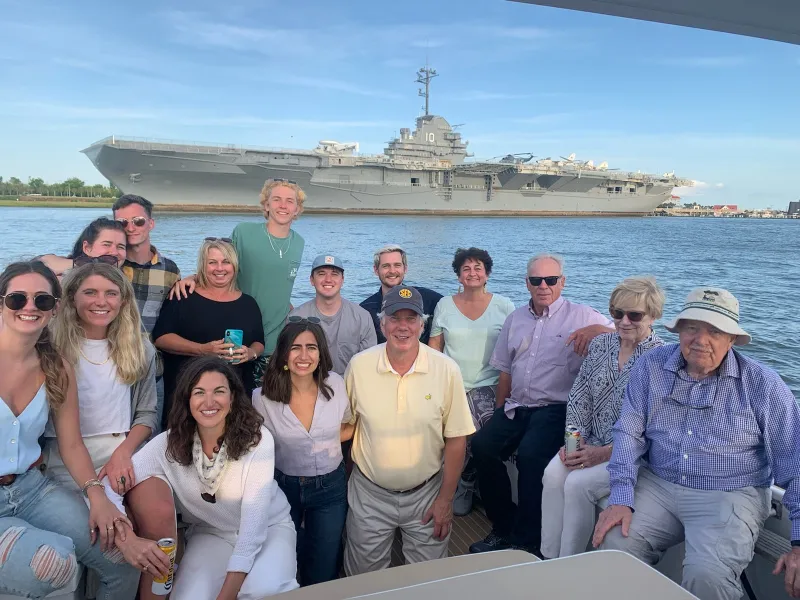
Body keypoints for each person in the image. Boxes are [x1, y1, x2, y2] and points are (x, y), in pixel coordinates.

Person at [592, 287, 800, 600]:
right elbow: (629, 433)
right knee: (615, 546)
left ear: (731, 339)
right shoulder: (650, 367)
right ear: (678, 331)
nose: (700, 340)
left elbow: (795, 462)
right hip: (659, 484)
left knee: (708, 576)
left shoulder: (763, 384)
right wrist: (621, 496)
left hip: (729, 491)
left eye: (715, 331)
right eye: (692, 328)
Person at [106, 356, 299, 600]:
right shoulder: (168, 444)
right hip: (211, 533)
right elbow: (109, 486)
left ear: (232, 397)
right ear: (187, 399)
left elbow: (253, 529)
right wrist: (126, 539)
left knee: (264, 592)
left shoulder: (257, 440)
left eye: (219, 391)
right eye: (199, 392)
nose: (209, 402)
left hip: (269, 529)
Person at [0, 260, 138, 599]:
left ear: (56, 308)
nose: (30, 307)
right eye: (17, 299)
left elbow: (72, 444)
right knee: (53, 560)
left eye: (42, 300)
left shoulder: (56, 366)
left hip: (29, 489)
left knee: (123, 555)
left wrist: (97, 495)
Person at [469, 253, 614, 556]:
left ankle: (526, 540)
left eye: (551, 280)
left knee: (531, 457)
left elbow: (624, 332)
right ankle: (503, 526)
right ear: (527, 284)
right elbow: (505, 370)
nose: (544, 286)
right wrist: (498, 414)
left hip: (555, 408)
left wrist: (595, 331)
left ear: (562, 282)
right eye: (537, 280)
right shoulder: (515, 319)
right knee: (483, 446)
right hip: (516, 406)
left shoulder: (583, 315)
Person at [343, 285, 475, 575]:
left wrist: (445, 500)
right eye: (394, 318)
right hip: (369, 495)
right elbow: (347, 428)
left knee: (426, 582)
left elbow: (456, 439)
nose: (402, 327)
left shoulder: (446, 369)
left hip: (427, 495)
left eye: (411, 319)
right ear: (381, 323)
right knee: (364, 580)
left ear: (422, 325)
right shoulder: (359, 366)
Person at [540, 276, 665, 559]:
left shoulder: (661, 360)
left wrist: (602, 453)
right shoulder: (601, 345)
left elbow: (655, 426)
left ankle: (569, 563)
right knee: (552, 474)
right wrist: (573, 444)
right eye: (617, 313)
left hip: (632, 456)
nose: (624, 321)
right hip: (588, 442)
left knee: (576, 484)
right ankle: (547, 557)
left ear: (653, 316)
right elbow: (579, 397)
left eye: (635, 315)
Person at [45, 262, 158, 496]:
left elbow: (147, 414)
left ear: (123, 301)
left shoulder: (140, 349)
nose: (101, 301)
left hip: (122, 448)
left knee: (159, 510)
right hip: (62, 455)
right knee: (103, 527)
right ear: (71, 298)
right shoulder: (49, 348)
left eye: (111, 293)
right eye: (90, 292)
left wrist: (124, 452)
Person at [254, 320, 352, 586]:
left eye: (311, 347)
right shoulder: (262, 398)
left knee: (323, 566)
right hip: (283, 486)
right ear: (284, 353)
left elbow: (349, 425)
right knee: (283, 559)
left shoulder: (337, 385)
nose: (304, 356)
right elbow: (257, 447)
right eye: (296, 348)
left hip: (330, 487)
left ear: (321, 353)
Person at [170, 179, 306, 364]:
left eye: (290, 201)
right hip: (242, 333)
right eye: (276, 199)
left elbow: (279, 282)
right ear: (266, 205)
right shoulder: (244, 232)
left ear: (297, 209)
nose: (283, 205)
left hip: (277, 341)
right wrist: (194, 277)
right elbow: (222, 265)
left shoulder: (299, 242)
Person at [428, 247, 514, 516]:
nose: (472, 272)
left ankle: (466, 479)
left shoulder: (505, 306)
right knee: (446, 425)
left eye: (478, 267)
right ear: (458, 275)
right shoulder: (444, 305)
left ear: (487, 273)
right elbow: (434, 351)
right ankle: (461, 481)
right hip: (452, 385)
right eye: (466, 268)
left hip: (489, 385)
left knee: (483, 432)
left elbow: (514, 355)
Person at [153, 238, 264, 428]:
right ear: (203, 266)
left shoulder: (248, 303)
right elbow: (161, 338)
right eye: (212, 262)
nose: (219, 268)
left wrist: (250, 353)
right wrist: (202, 349)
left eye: (225, 262)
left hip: (235, 396)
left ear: (234, 265)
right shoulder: (183, 296)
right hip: (186, 396)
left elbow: (259, 341)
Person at [289, 254, 376, 375]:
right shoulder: (296, 317)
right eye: (321, 273)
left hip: (350, 387)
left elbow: (368, 363)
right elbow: (290, 361)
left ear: (342, 280)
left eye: (334, 274)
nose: (328, 279)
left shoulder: (362, 317)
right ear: (311, 280)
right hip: (308, 385)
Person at [112, 194, 181, 337]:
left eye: (138, 221)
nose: (130, 228)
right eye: (122, 222)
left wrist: (194, 278)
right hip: (110, 352)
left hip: (150, 354)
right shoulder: (108, 266)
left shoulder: (170, 271)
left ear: (151, 224)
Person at [360, 244, 442, 345]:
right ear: (376, 270)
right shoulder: (365, 309)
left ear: (405, 269)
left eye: (397, 265)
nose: (392, 271)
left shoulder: (428, 299)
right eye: (386, 266)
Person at [38, 217, 128, 276]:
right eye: (106, 244)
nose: (115, 252)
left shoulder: (128, 276)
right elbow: (43, 263)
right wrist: (94, 263)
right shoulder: (67, 275)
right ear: (87, 248)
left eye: (121, 247)